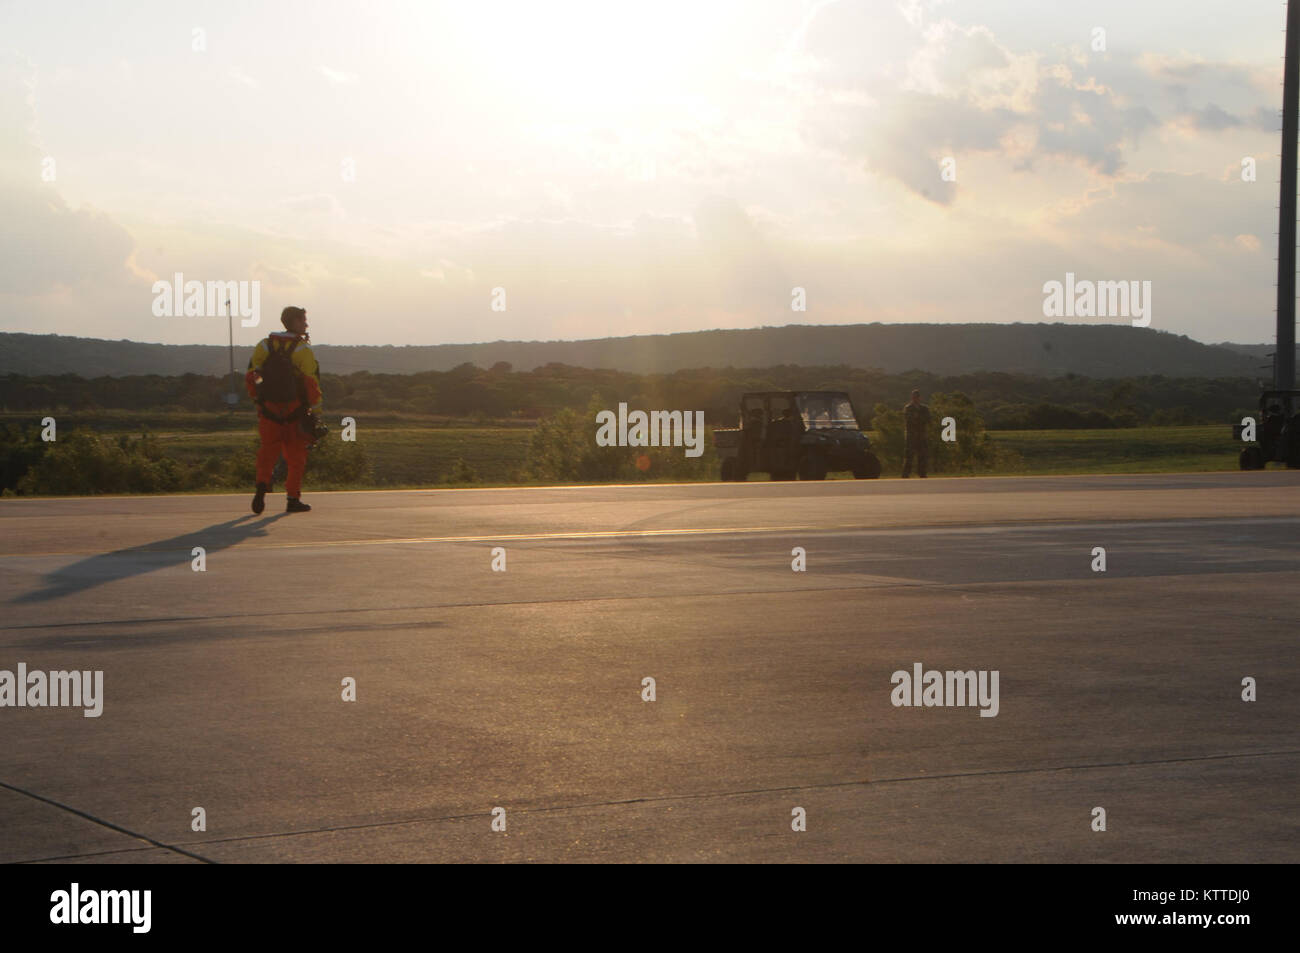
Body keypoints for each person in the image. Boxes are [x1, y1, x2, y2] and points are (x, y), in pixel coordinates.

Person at [245, 306, 323, 513]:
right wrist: (315, 411)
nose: (306, 325)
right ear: (294, 322)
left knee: (267, 452)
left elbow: (252, 376)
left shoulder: (264, 345)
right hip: (294, 411)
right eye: (303, 321)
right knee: (296, 457)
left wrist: (258, 400)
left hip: (268, 410)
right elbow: (311, 383)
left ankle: (262, 486)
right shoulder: (302, 350)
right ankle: (292, 498)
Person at [902, 389, 930, 478]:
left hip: (922, 435)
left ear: (919, 398)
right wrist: (919, 419)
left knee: (922, 456)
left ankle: (922, 473)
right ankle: (906, 473)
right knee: (909, 456)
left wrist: (918, 418)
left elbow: (927, 419)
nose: (916, 398)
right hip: (911, 435)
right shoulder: (908, 408)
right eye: (914, 397)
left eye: (917, 397)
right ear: (912, 397)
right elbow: (909, 419)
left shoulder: (924, 408)